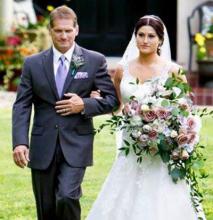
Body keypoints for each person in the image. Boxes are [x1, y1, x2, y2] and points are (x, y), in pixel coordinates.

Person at [87, 15, 206, 220]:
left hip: (162, 146)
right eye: (140, 35)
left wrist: (171, 131)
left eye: (151, 36)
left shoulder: (173, 71)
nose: (145, 40)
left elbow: (185, 110)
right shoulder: (122, 70)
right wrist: (96, 100)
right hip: (131, 144)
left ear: (160, 40)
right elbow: (116, 106)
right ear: (135, 37)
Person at [12, 5, 118, 220]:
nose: (64, 36)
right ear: (50, 30)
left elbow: (112, 101)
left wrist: (85, 105)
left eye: (68, 30)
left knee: (67, 196)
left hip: (77, 143)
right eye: (59, 30)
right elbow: (22, 105)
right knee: (46, 207)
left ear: (76, 30)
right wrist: (20, 142)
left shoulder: (93, 60)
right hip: (43, 145)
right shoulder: (32, 64)